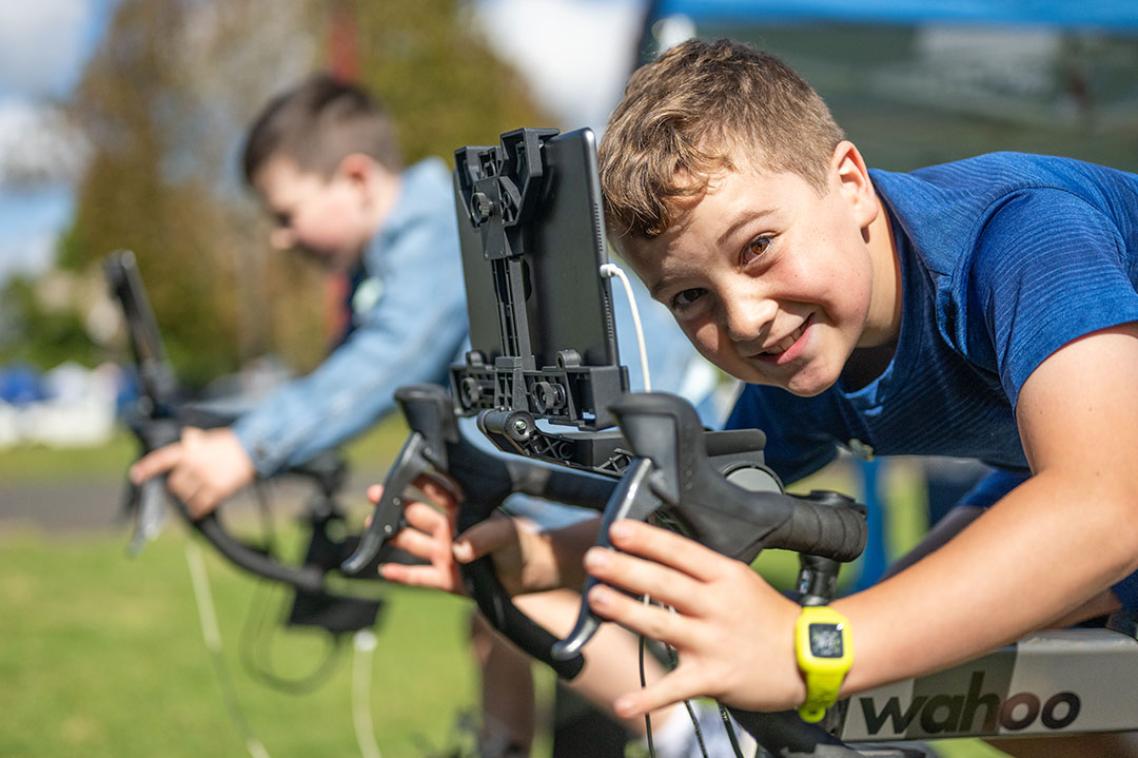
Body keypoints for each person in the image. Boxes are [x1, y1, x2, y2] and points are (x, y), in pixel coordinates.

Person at [381, 39, 1138, 756]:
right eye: (687, 296)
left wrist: (814, 647)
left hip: (1108, 483)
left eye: (758, 247)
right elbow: (707, 505)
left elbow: (1104, 505)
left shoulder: (1024, 235)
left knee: (907, 637)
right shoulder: (806, 353)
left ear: (848, 182)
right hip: (1083, 475)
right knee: (947, 649)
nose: (744, 318)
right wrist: (539, 557)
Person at [129, 73, 740, 757]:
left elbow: (378, 368)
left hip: (632, 453)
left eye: (286, 214)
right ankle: (502, 743)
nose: (278, 238)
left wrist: (244, 453)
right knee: (489, 614)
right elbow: (337, 378)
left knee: (500, 578)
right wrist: (217, 429)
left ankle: (692, 735)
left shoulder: (444, 233)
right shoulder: (395, 263)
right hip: (579, 455)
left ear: (357, 179)